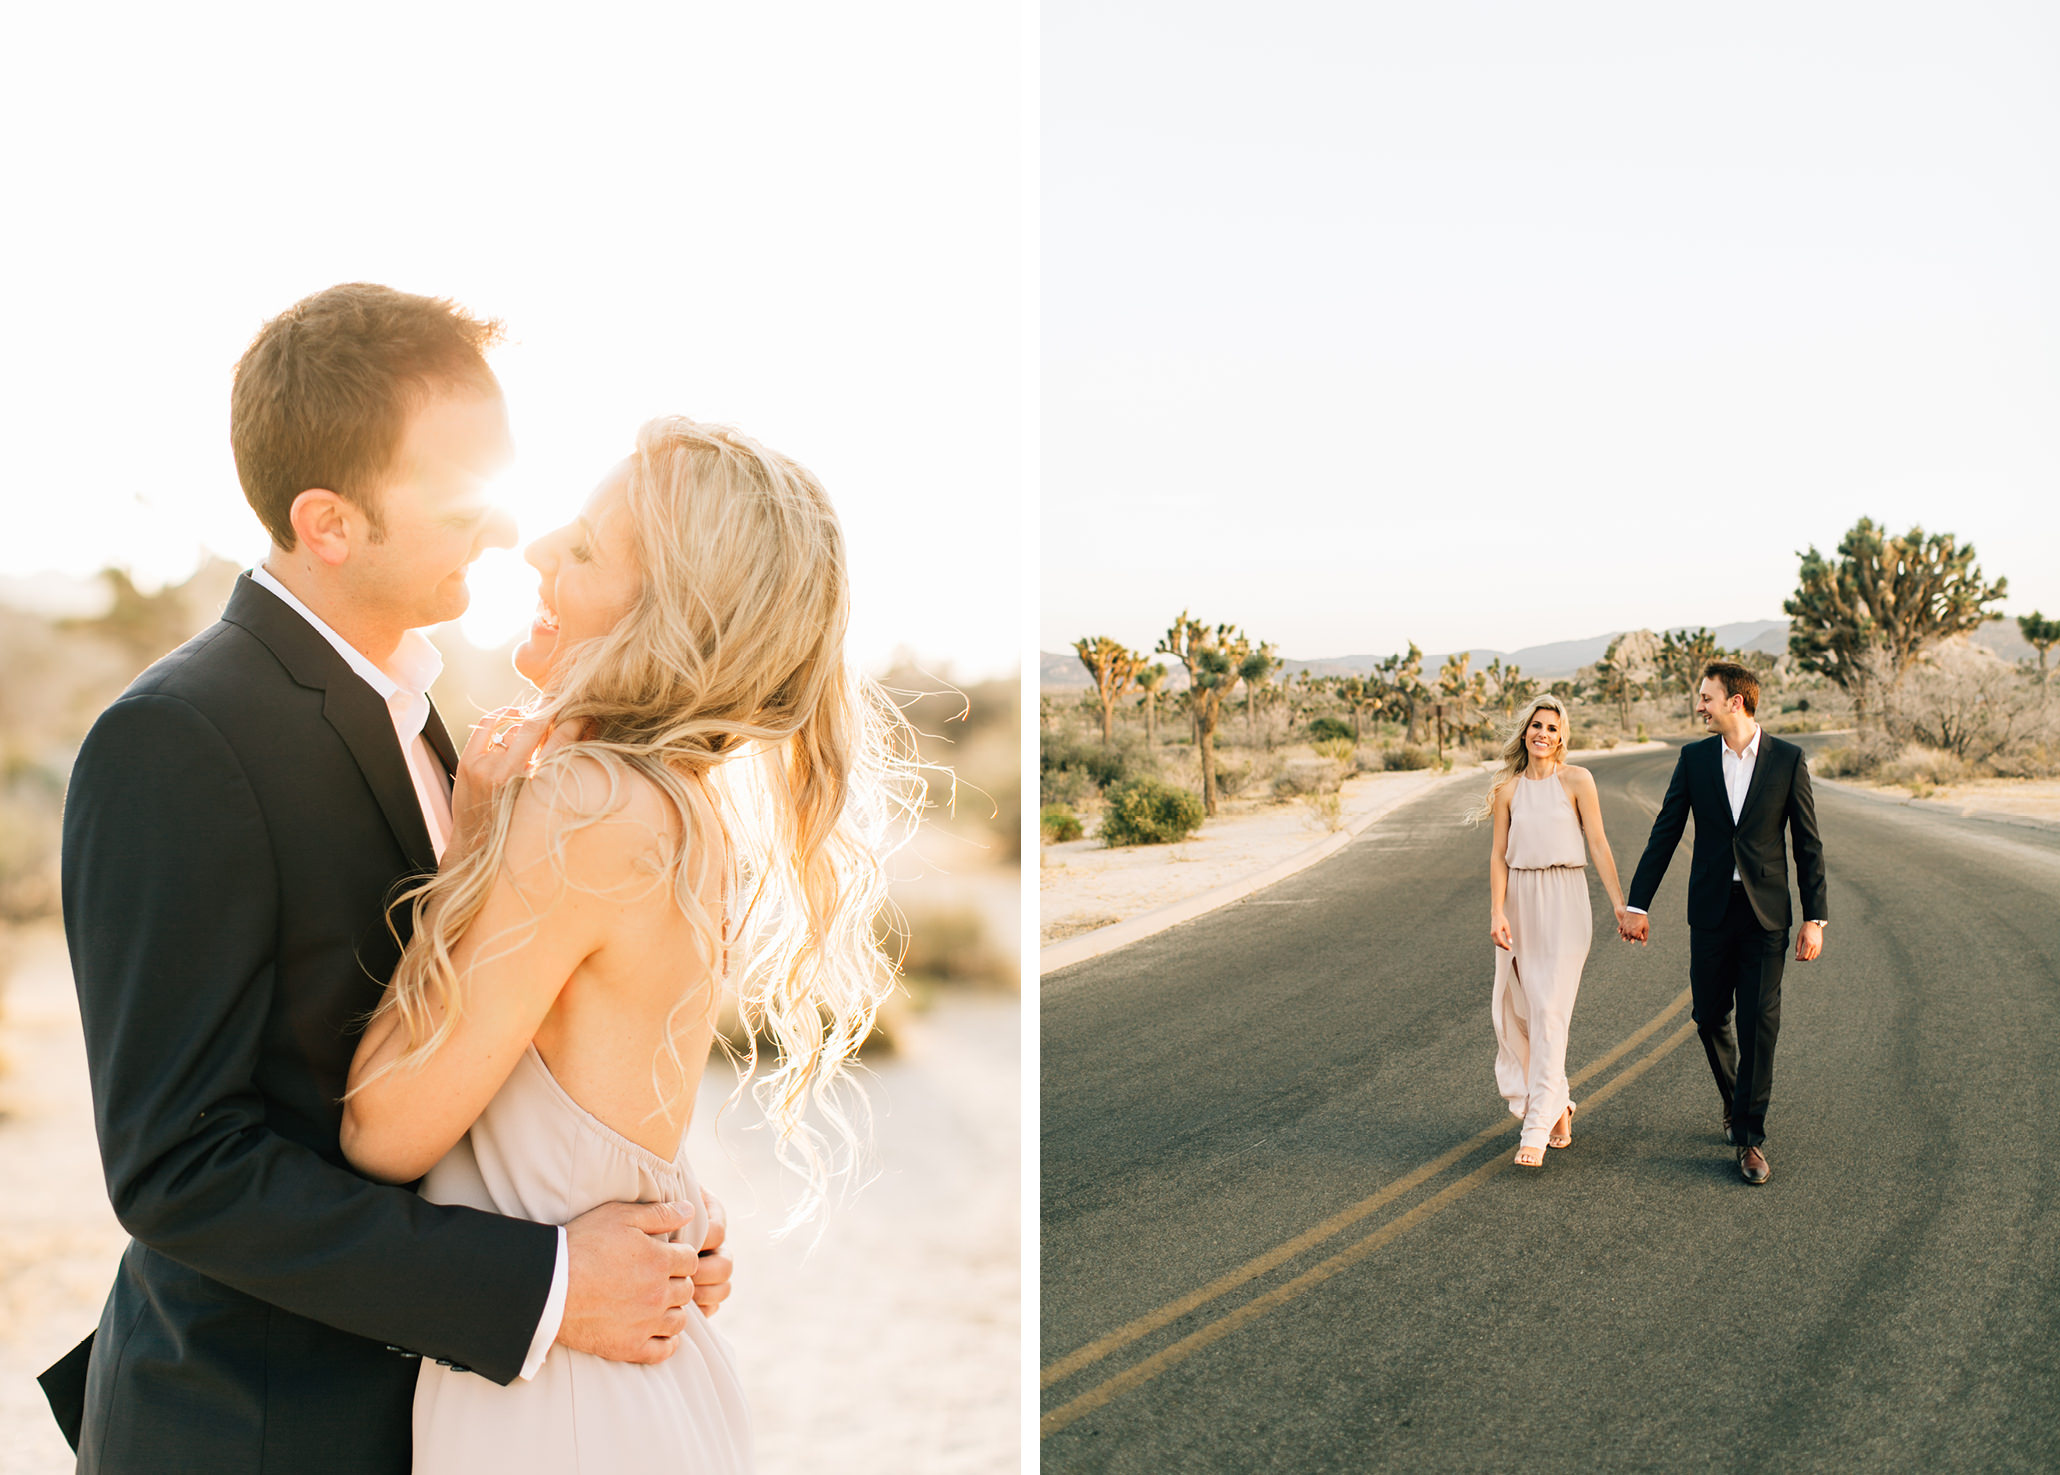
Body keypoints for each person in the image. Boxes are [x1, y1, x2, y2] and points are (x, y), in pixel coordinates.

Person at [43, 285, 733, 1474]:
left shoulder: (423, 719)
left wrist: (651, 1226)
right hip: (256, 1425)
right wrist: (551, 1284)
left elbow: (477, 1037)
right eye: (461, 488)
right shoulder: (177, 737)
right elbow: (179, 1167)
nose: (507, 527)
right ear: (329, 522)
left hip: (418, 1412)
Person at [338, 413, 920, 1470]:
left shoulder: (589, 805)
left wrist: (469, 858)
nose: (538, 549)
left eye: (589, 547)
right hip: (614, 1389)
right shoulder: (678, 808)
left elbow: (384, 1128)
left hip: (555, 1403)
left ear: (669, 619)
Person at [1621, 659, 1828, 1185]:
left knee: (1760, 1022)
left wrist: (1815, 918)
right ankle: (1737, 1103)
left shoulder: (1786, 759)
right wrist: (1637, 904)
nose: (1700, 706)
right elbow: (1665, 832)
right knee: (1709, 1015)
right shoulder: (1694, 760)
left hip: (1766, 916)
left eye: (1707, 697)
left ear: (1735, 701)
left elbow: (1807, 844)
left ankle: (1749, 1138)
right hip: (1712, 911)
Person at [1474, 694, 1633, 1168]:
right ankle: (1558, 1103)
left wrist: (1621, 907)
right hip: (1520, 901)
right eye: (1536, 725)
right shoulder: (1508, 789)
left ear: (1563, 735)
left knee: (1547, 1011)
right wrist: (1496, 912)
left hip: (1565, 899)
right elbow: (1498, 856)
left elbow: (1599, 845)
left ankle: (1537, 1123)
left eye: (1552, 727)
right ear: (1526, 732)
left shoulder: (1577, 780)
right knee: (1516, 1013)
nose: (1543, 733)